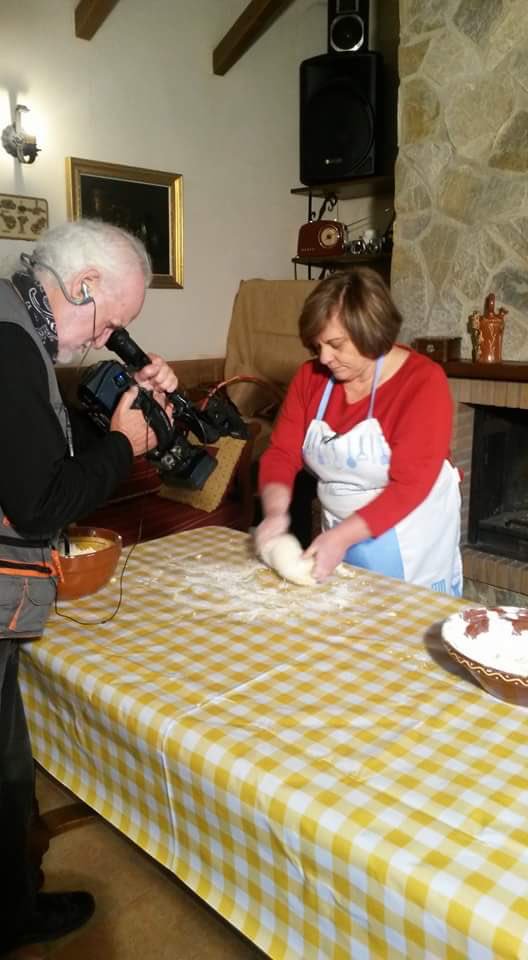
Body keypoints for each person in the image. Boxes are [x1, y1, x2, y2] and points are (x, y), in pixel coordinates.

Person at [0, 219, 178, 954]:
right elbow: (40, 500)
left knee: (9, 763)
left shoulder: (18, 327)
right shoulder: (10, 344)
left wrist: (113, 420)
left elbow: (30, 445)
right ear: (85, 285)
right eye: (118, 318)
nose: (113, 336)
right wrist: (125, 445)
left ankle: (14, 904)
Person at [255, 268, 462, 595]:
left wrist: (341, 538)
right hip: (338, 529)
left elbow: (409, 485)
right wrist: (275, 513)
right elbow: (282, 453)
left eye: (335, 344)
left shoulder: (422, 383)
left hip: (409, 533)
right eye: (317, 345)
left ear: (371, 331)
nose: (324, 357)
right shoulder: (312, 377)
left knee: (402, 627)